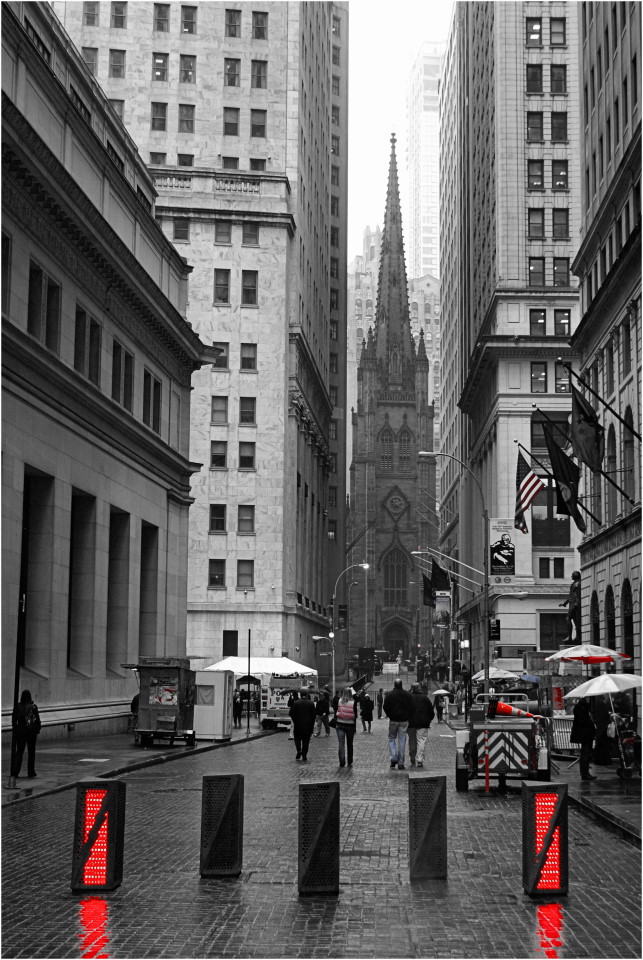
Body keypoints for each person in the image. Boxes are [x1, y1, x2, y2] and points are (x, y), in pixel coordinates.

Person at [11, 689, 42, 779]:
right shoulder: (33, 707)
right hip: (31, 732)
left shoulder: (17, 706)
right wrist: (38, 728)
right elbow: (37, 719)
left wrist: (16, 729)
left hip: (20, 732)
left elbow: (14, 720)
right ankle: (31, 771)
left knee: (19, 752)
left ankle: (16, 771)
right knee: (31, 752)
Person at [383, 678, 413, 770]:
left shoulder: (389, 694)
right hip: (404, 720)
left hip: (393, 720)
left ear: (394, 684)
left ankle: (393, 757)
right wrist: (408, 716)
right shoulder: (407, 694)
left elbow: (385, 706)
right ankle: (401, 763)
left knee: (391, 738)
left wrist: (389, 715)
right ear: (401, 684)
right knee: (402, 741)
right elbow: (412, 707)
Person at [407, 682, 435, 768]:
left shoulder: (409, 698)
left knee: (412, 741)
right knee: (421, 741)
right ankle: (419, 760)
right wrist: (429, 720)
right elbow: (431, 711)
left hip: (410, 723)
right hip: (423, 723)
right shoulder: (425, 698)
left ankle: (412, 757)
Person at [570, 697, 597, 781]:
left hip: (585, 734)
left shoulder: (583, 706)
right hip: (584, 734)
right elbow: (582, 721)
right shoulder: (581, 707)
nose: (589, 699)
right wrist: (591, 724)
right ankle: (585, 774)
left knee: (585, 753)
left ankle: (586, 773)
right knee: (585, 754)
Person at [289, 689, 316, 762]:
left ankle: (299, 750)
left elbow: (291, 714)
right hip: (307, 726)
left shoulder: (296, 703)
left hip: (298, 725)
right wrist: (311, 726)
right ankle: (304, 755)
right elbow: (313, 716)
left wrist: (295, 721)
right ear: (307, 695)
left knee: (297, 739)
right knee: (306, 741)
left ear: (300, 695)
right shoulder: (311, 703)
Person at [334, 687, 357, 767]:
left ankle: (342, 761)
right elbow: (355, 715)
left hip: (340, 723)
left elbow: (336, 710)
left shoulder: (339, 701)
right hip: (350, 724)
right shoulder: (353, 702)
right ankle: (349, 761)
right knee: (350, 743)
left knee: (341, 743)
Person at [559, 570, 582, 642]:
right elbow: (571, 596)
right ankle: (577, 637)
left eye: (572, 575)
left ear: (575, 576)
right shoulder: (574, 584)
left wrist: (576, 604)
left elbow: (577, 595)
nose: (571, 576)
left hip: (575, 605)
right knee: (576, 622)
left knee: (568, 619)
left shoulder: (577, 584)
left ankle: (570, 637)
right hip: (573, 604)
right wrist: (565, 603)